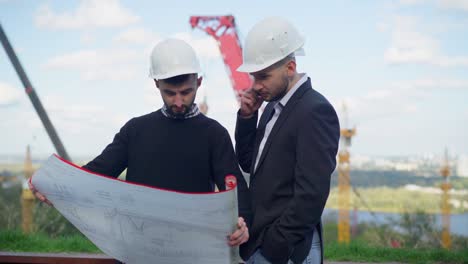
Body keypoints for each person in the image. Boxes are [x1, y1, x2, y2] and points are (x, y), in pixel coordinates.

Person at [29, 38, 251, 252]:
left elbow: (233, 186)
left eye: (186, 92)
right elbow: (96, 173)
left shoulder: (214, 134)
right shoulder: (135, 131)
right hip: (138, 251)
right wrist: (54, 185)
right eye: (170, 93)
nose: (178, 101)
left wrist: (242, 222)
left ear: (198, 82)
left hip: (193, 252)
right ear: (156, 84)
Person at [234, 17, 340, 264]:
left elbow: (311, 195)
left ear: (290, 67)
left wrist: (274, 247)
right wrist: (248, 118)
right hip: (265, 243)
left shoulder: (315, 110)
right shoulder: (272, 107)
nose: (256, 86)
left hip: (288, 250)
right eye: (253, 77)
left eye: (263, 76)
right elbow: (249, 163)